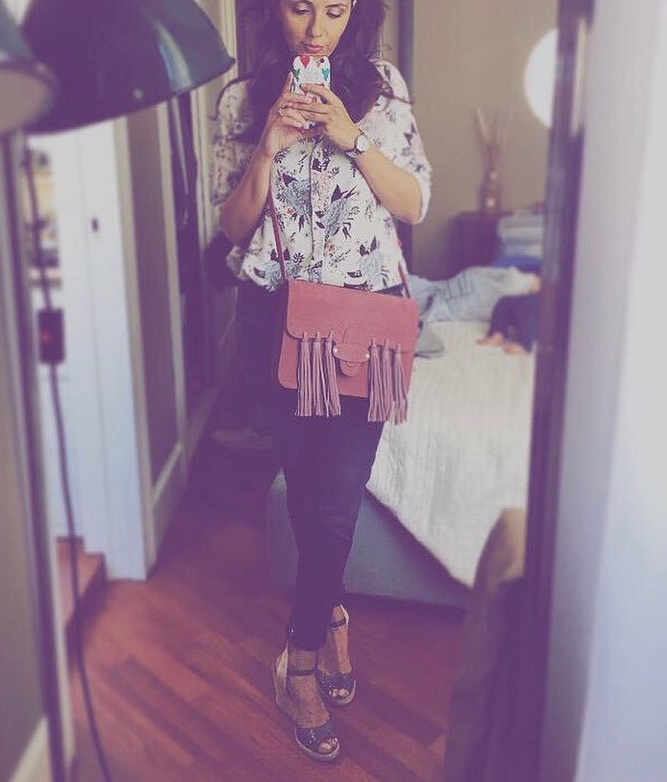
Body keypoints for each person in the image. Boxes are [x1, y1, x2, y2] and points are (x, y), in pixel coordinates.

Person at [211, 0, 431, 762]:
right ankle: (331, 616)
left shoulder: (383, 87)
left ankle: (298, 661)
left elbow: (413, 204)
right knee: (306, 494)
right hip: (276, 318)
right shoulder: (241, 102)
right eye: (300, 7)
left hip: (363, 320)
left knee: (336, 501)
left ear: (355, 13)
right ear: (272, 10)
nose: (316, 28)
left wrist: (352, 136)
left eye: (334, 9)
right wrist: (268, 145)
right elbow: (230, 227)